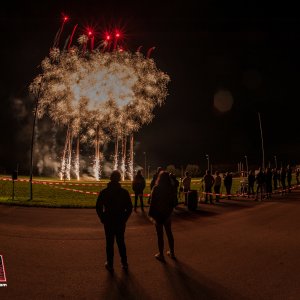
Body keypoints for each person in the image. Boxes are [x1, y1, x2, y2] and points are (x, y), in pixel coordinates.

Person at [96, 170, 133, 272]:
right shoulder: (124, 192)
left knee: (109, 243)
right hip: (120, 220)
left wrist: (102, 218)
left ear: (110, 179)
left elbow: (98, 207)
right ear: (119, 179)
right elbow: (129, 208)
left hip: (108, 220)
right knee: (121, 242)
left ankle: (110, 264)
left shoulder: (104, 192)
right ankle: (124, 263)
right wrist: (124, 218)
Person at [148, 171, 177, 262]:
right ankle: (172, 252)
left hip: (158, 214)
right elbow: (174, 202)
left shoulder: (156, 188)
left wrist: (151, 215)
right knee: (169, 233)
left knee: (160, 235)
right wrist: (170, 212)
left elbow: (152, 203)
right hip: (167, 214)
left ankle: (161, 254)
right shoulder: (171, 188)